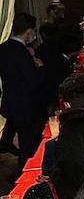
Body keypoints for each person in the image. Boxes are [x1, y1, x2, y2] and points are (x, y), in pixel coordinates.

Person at [0, 12, 48, 164]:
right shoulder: (22, 53)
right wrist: (40, 68)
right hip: (27, 107)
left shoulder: (3, 48)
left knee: (24, 142)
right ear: (29, 32)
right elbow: (33, 81)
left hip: (10, 101)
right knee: (29, 148)